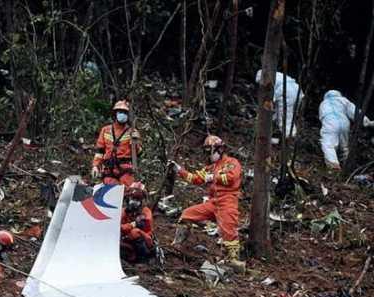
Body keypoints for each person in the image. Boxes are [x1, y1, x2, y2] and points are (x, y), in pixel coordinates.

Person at [172, 135, 245, 271]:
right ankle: (178, 245)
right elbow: (195, 178)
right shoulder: (211, 167)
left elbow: (232, 177)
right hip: (213, 202)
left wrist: (214, 177)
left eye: (209, 151)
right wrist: (180, 170)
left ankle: (233, 260)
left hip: (228, 201)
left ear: (220, 149)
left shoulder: (231, 162)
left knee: (228, 230)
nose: (208, 155)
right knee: (187, 214)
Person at [318, 90, 374, 170]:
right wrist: (366, 122)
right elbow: (355, 111)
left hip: (330, 122)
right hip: (344, 122)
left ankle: (333, 166)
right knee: (344, 147)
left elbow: (322, 118)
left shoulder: (323, 104)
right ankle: (347, 167)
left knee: (328, 144)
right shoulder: (343, 100)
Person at [92, 100, 142, 186]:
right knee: (110, 192)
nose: (122, 115)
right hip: (109, 169)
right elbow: (99, 151)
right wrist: (96, 166)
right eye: (120, 112)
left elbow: (139, 153)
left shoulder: (132, 132)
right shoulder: (106, 130)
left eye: (125, 113)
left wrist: (136, 142)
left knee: (130, 192)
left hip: (125, 170)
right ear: (115, 114)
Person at [255, 70, 303, 139]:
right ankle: (283, 136)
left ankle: (289, 139)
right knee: (287, 117)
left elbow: (269, 103)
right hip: (297, 90)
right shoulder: (276, 74)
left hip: (287, 92)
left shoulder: (266, 79)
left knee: (285, 119)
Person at [120, 182, 154, 263]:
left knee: (134, 232)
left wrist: (129, 226)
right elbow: (118, 225)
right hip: (125, 238)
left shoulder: (145, 212)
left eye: (138, 198)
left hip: (145, 238)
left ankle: (144, 259)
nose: (134, 201)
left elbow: (142, 224)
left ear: (142, 200)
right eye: (132, 197)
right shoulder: (124, 211)